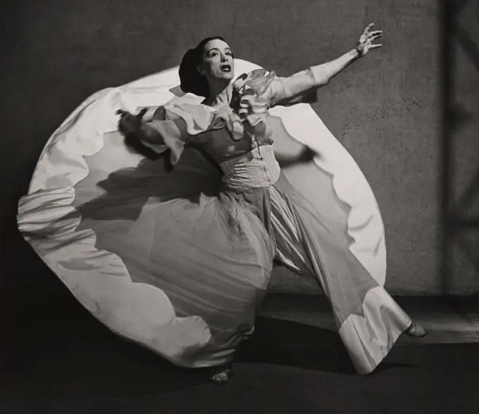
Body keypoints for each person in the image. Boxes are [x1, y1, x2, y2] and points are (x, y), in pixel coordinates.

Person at [114, 25, 426, 382]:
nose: (225, 57)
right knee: (246, 281)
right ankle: (218, 356)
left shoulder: (256, 91)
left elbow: (308, 78)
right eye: (214, 54)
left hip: (281, 196)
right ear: (201, 69)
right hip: (240, 206)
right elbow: (161, 133)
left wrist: (355, 53)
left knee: (335, 259)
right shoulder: (194, 116)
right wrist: (136, 126)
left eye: (227, 52)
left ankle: (395, 321)